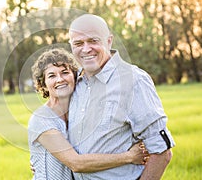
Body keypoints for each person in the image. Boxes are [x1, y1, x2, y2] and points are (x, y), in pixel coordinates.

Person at [67, 14, 175, 180]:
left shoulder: (134, 81)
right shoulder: (73, 83)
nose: (86, 49)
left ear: (109, 41)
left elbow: (162, 152)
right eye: (78, 43)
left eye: (93, 41)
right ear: (71, 46)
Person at [28, 47, 149, 180]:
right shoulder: (42, 119)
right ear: (43, 84)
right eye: (52, 76)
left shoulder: (78, 110)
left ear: (74, 77)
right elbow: (76, 163)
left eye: (64, 72)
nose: (60, 79)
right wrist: (129, 156)